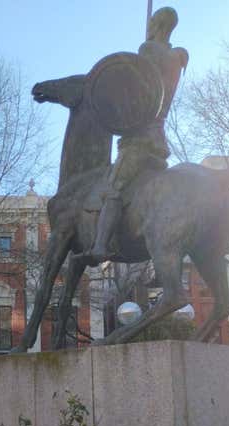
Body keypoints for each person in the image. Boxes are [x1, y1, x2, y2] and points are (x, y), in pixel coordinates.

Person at [79, 7, 189, 264]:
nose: (148, 27)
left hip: (139, 139)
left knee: (114, 188)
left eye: (151, 23)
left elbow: (137, 93)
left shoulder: (149, 50)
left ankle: (100, 246)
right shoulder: (176, 58)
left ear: (157, 24)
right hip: (159, 144)